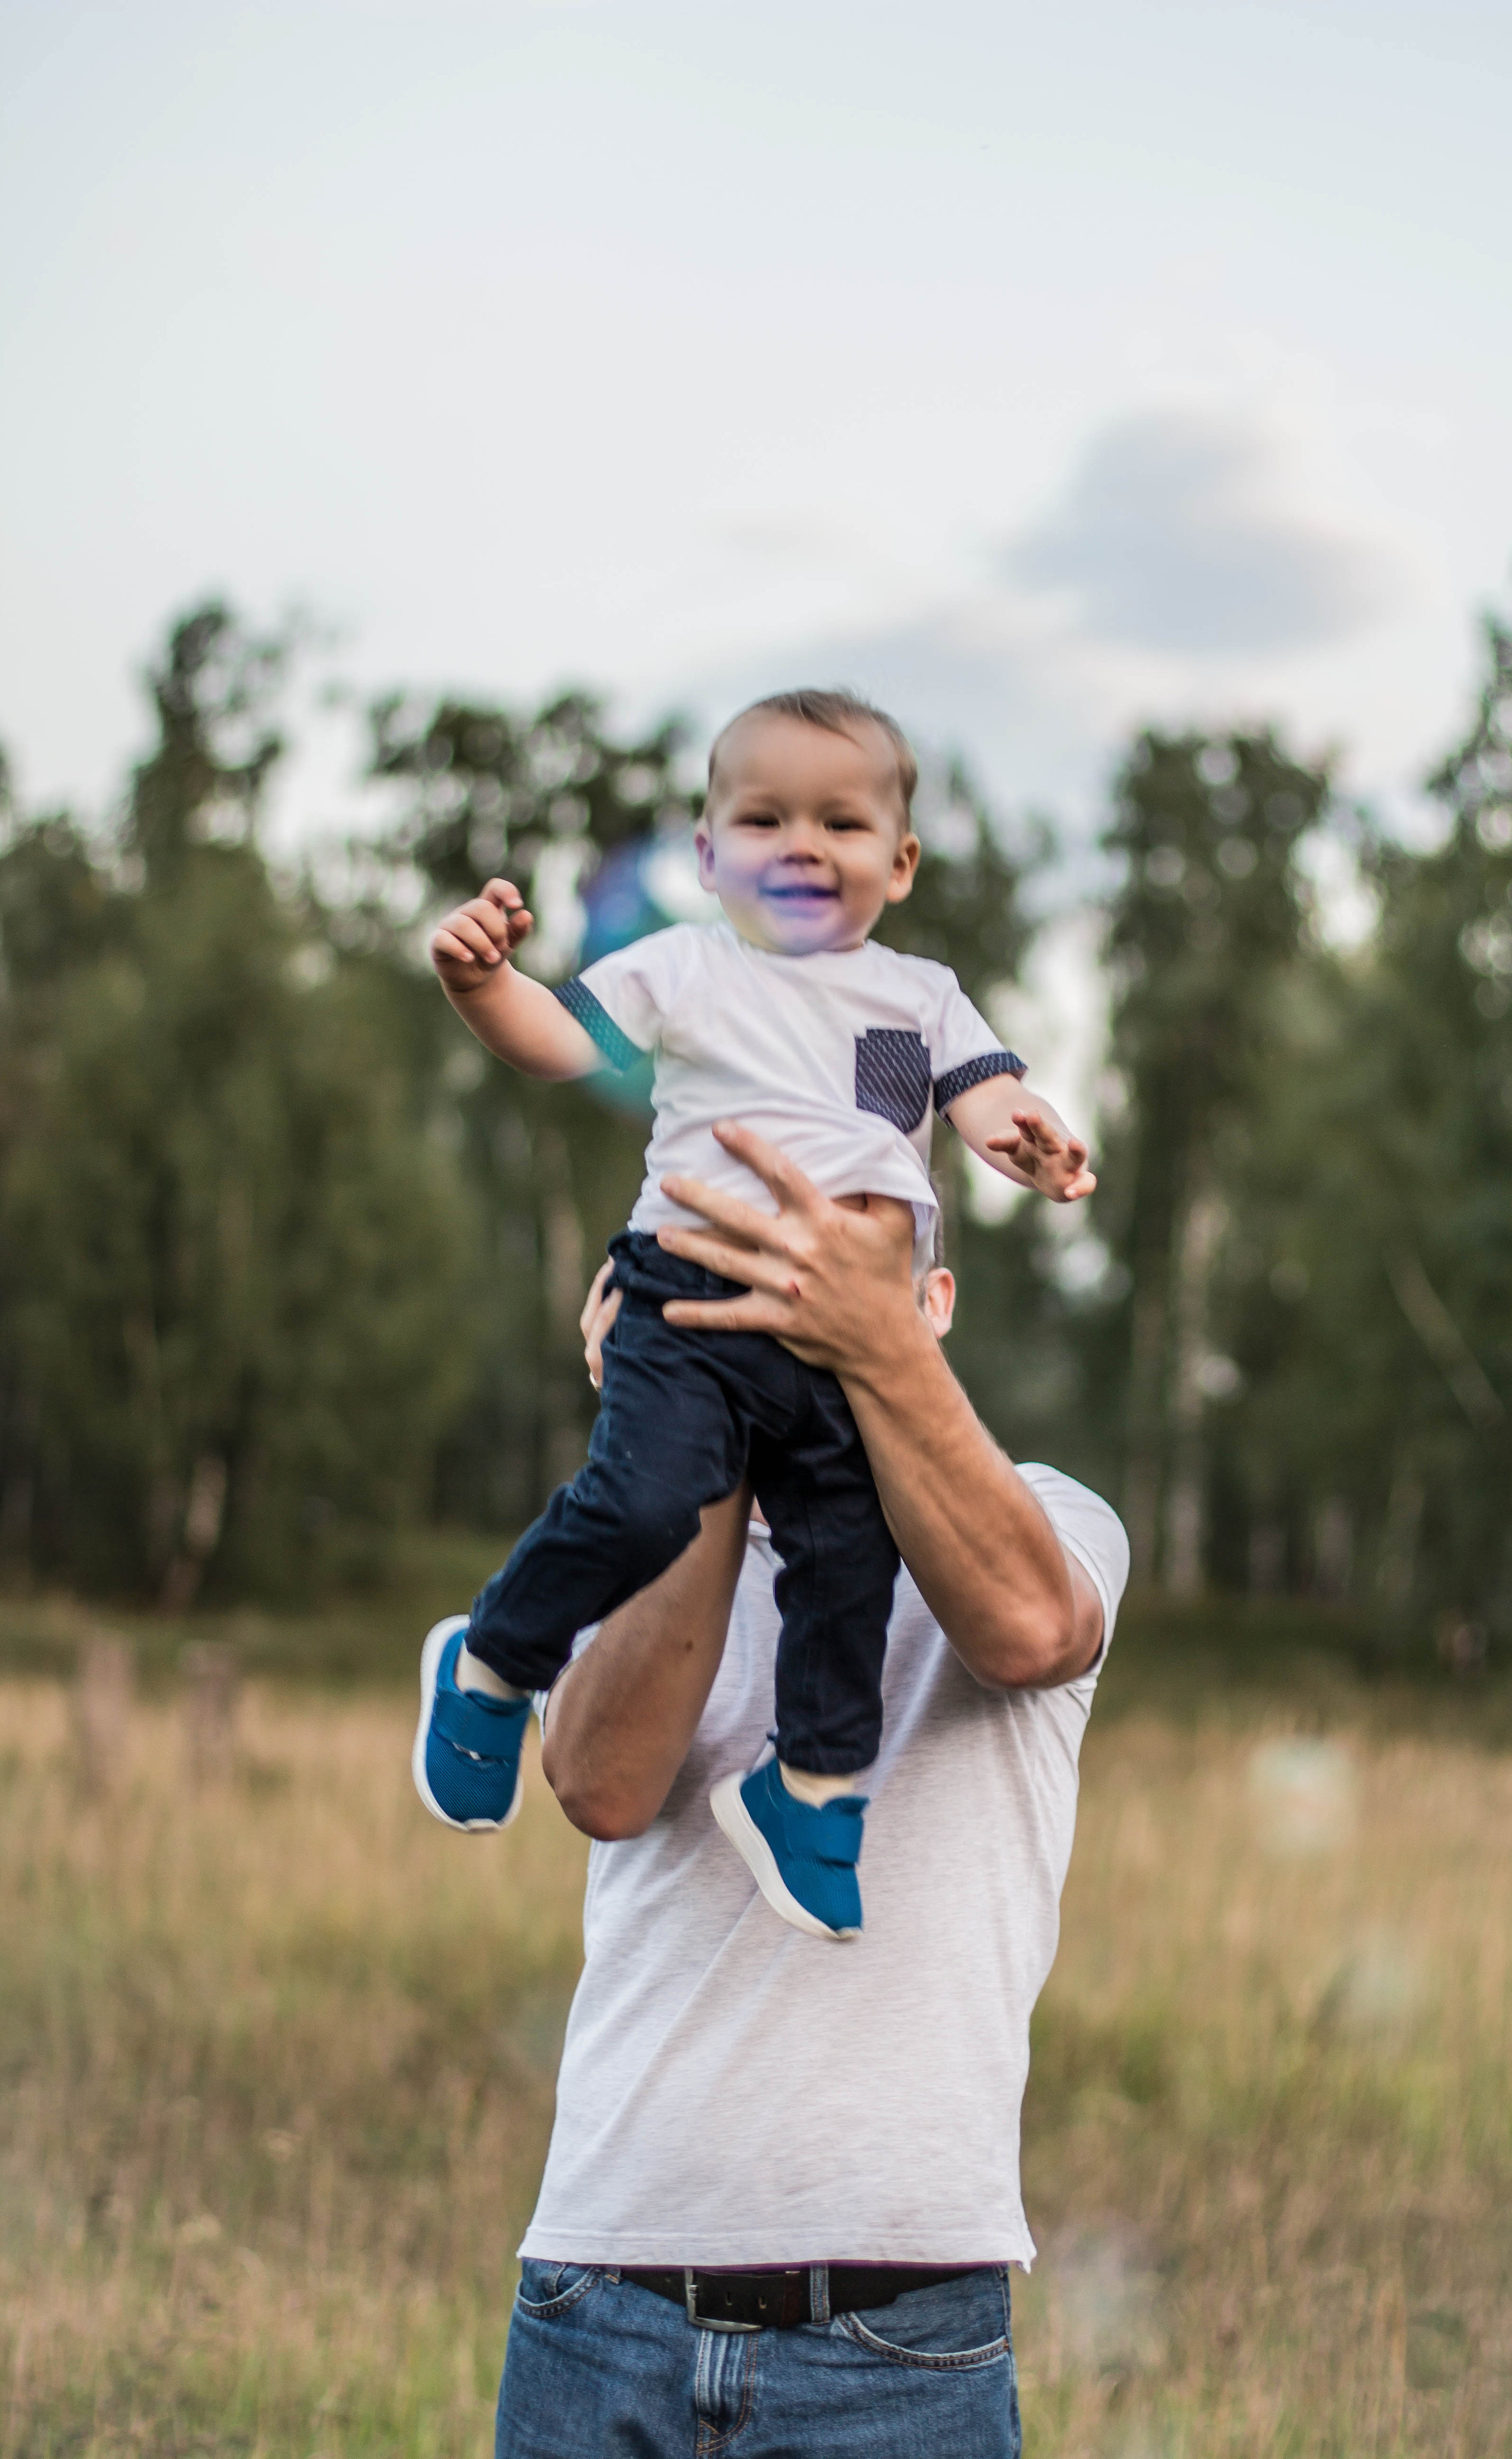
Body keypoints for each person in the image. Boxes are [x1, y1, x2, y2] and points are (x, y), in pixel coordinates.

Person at [412, 688, 1095, 1937]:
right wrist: (478, 985)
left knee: (850, 1558)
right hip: (688, 1300)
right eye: (764, 817)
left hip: (847, 1345)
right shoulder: (684, 968)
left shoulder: (921, 996)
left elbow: (987, 1099)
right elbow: (557, 1041)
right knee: (644, 1499)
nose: (800, 844)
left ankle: (812, 1791)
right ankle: (495, 1659)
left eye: (839, 822)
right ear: (706, 854)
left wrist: (1029, 1140)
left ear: (897, 865)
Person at [490, 1133, 1129, 2459]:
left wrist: (861, 1349)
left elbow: (1022, 1630)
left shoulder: (1058, 1521)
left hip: (895, 2348)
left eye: (839, 1259)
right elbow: (600, 1783)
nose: (789, 1297)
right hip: (600, 2306)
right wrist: (686, 1427)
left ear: (933, 1306)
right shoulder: (612, 1543)